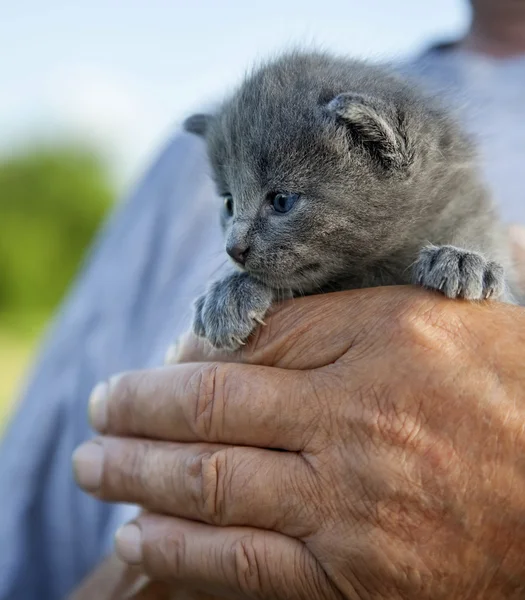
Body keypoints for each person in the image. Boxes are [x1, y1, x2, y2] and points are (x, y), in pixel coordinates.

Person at [1, 0, 525, 597]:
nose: (235, 242)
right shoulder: (177, 176)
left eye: (279, 203)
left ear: (382, 147)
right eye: (230, 203)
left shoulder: (432, 186)